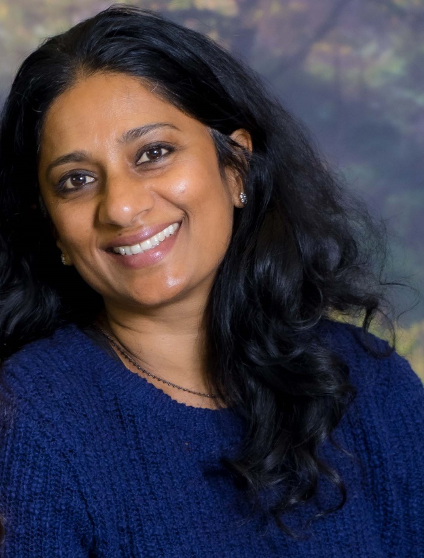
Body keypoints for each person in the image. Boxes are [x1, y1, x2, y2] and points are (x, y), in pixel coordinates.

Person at [0, 5, 422, 557]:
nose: (123, 206)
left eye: (154, 153)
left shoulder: (372, 384)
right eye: (76, 180)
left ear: (235, 166)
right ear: (52, 226)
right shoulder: (29, 422)